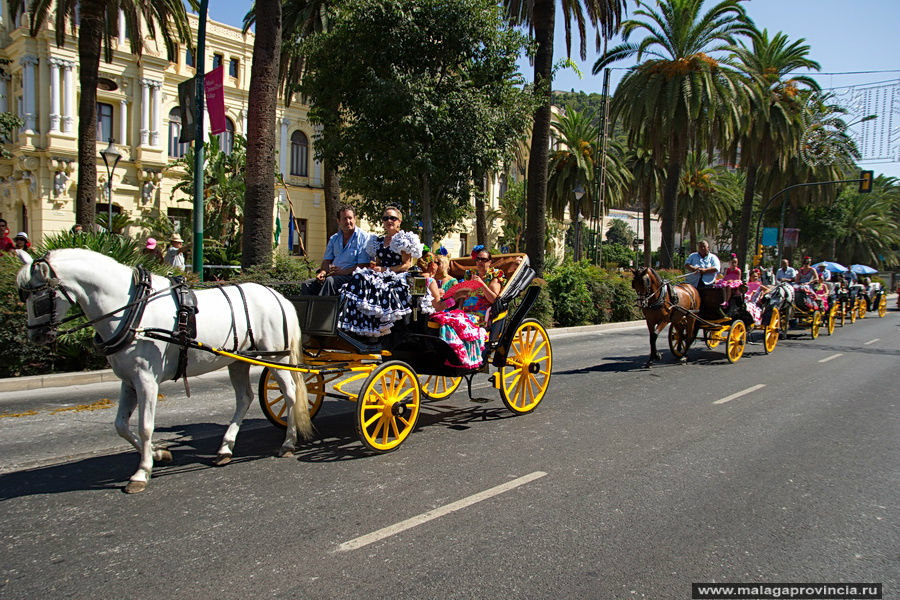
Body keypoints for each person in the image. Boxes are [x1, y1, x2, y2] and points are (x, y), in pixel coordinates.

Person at [337, 205, 422, 337]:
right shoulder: (377, 241)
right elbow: (378, 264)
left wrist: (385, 270)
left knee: (367, 281)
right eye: (386, 218)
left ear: (399, 221)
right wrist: (375, 267)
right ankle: (357, 325)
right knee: (359, 277)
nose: (389, 221)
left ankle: (376, 328)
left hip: (398, 277)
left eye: (393, 218)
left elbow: (406, 265)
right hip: (382, 275)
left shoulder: (403, 239)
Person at [300, 204, 371, 295]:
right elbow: (326, 261)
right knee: (307, 284)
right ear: (338, 221)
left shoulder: (364, 237)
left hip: (353, 277)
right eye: (344, 219)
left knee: (330, 281)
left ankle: (323, 308)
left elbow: (363, 265)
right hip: (334, 276)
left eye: (350, 218)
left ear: (355, 219)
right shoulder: (334, 239)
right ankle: (307, 309)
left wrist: (344, 272)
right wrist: (322, 272)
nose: (347, 221)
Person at [450, 245, 506, 326]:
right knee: (446, 320)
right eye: (478, 259)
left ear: (490, 262)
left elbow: (493, 300)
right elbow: (464, 296)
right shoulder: (470, 275)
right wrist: (459, 308)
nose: (480, 262)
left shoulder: (494, 276)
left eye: (483, 259)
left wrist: (482, 284)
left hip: (481, 317)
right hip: (465, 314)